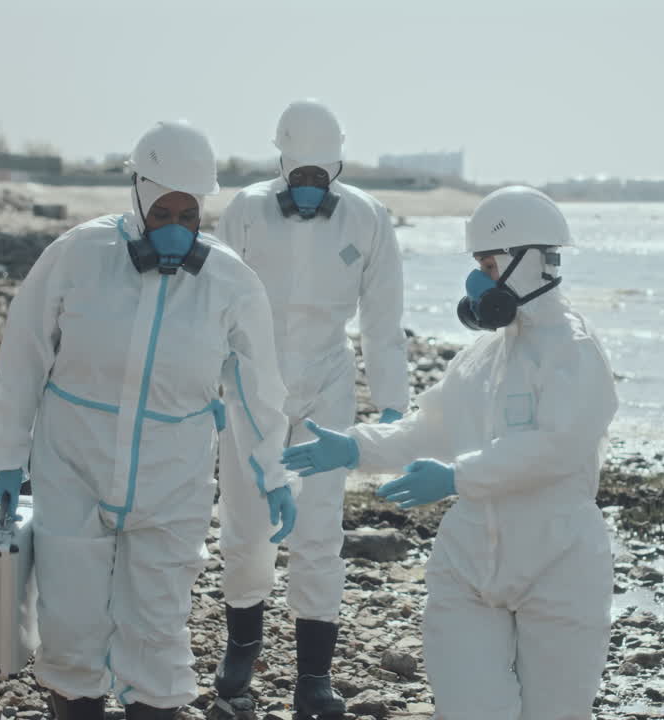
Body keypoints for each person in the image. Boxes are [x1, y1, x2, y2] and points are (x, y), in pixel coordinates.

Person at [0, 120, 297, 720]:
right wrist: (5, 455)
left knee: (157, 631)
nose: (176, 226)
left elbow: (258, 390)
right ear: (139, 197)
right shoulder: (77, 256)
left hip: (172, 480)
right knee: (71, 625)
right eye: (163, 211)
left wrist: (274, 471)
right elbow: (22, 356)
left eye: (190, 213)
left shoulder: (229, 282)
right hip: (74, 466)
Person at [282, 186, 619, 719]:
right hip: (468, 561)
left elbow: (556, 449)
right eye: (477, 263)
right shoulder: (481, 356)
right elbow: (429, 429)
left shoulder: (574, 352)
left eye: (489, 263)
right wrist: (354, 446)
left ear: (529, 263)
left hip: (560, 562)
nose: (478, 279)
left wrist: (458, 477)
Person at [211, 99, 409, 714]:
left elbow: (383, 323)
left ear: (338, 168)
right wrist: (202, 395)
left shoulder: (369, 220)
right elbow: (208, 304)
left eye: (320, 179)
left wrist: (393, 411)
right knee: (245, 527)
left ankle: (313, 678)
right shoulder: (244, 211)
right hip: (250, 383)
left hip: (326, 384)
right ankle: (242, 644)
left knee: (321, 531)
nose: (309, 189)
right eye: (299, 178)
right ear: (282, 164)